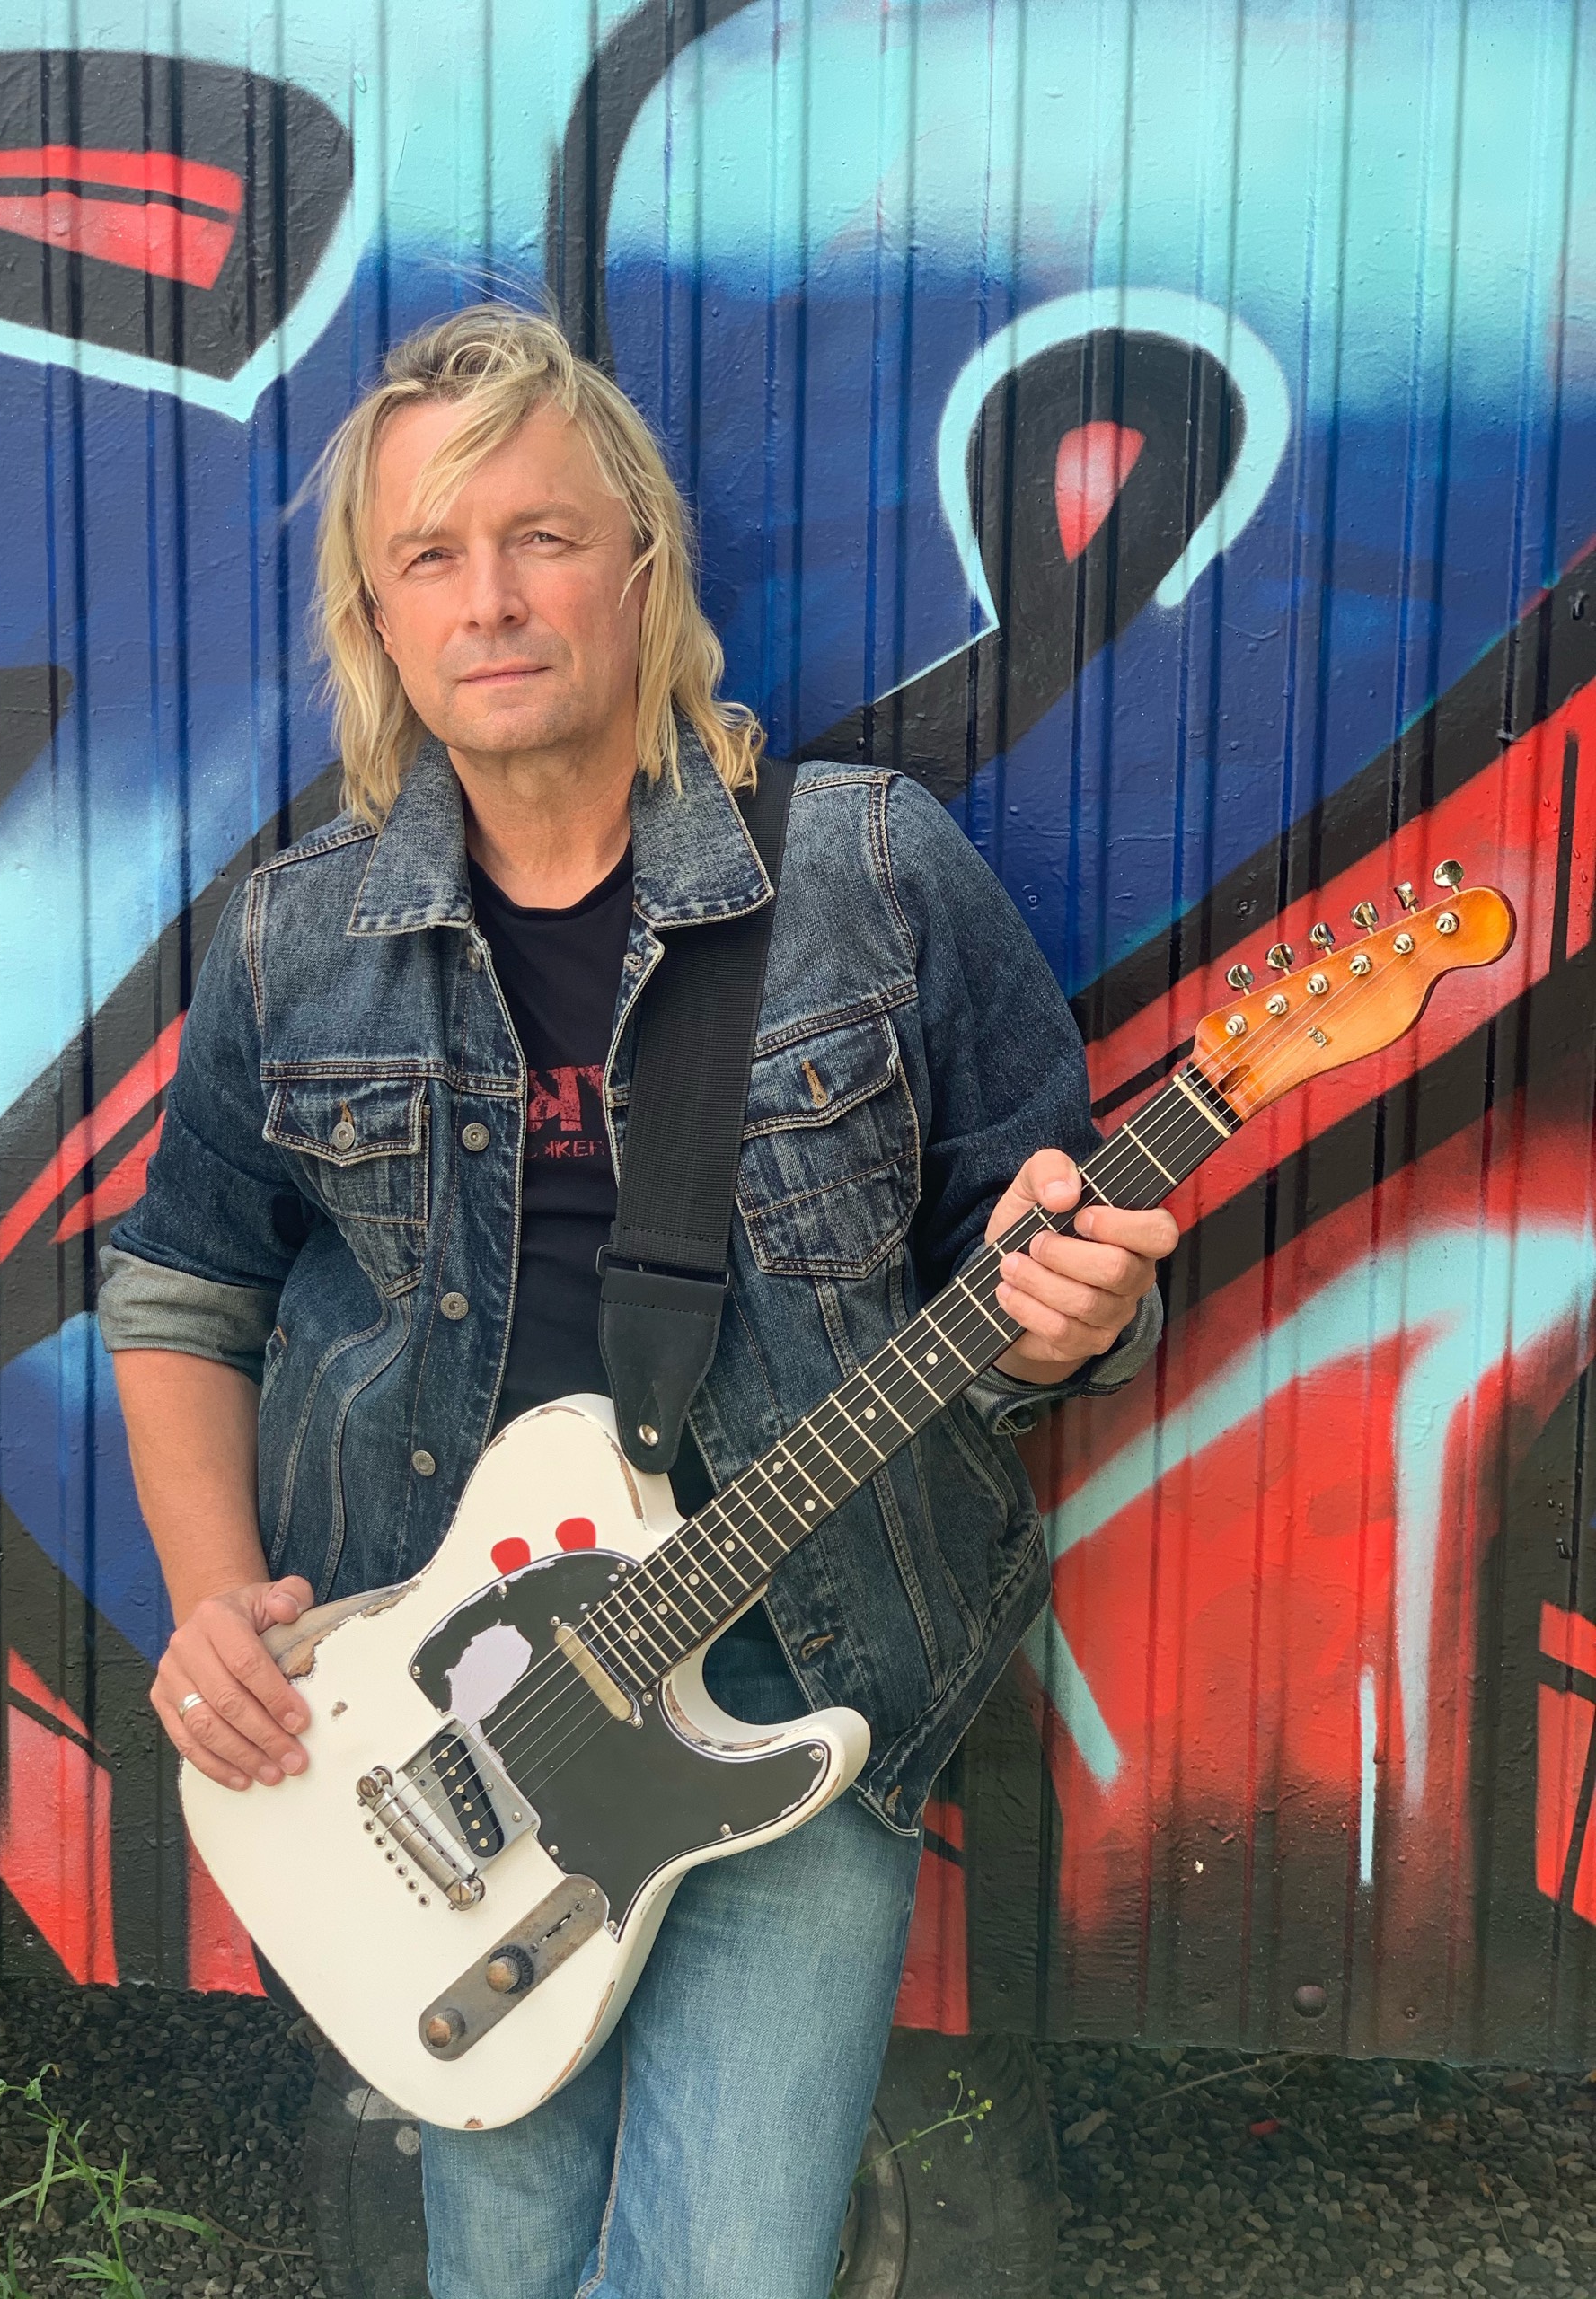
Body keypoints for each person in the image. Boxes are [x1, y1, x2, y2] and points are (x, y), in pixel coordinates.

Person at [98, 304, 1177, 2299]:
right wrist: (217, 1605)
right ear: (379, 617)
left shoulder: (871, 877)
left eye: (541, 537)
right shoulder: (293, 942)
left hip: (801, 1669)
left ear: (642, 568)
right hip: (447, 1721)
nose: (491, 599)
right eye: (431, 554)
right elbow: (184, 1281)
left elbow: (1030, 1260)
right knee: (503, 2256)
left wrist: (1070, 1322)